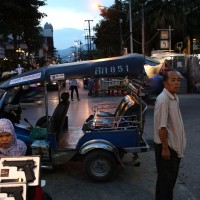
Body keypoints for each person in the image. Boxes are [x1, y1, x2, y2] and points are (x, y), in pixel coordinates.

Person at [154, 71, 186, 200]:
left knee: (165, 182)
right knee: (167, 184)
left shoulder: (174, 97)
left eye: (178, 80)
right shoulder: (163, 100)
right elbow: (161, 128)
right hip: (167, 149)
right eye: (173, 80)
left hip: (174, 147)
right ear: (165, 83)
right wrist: (165, 148)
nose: (177, 83)